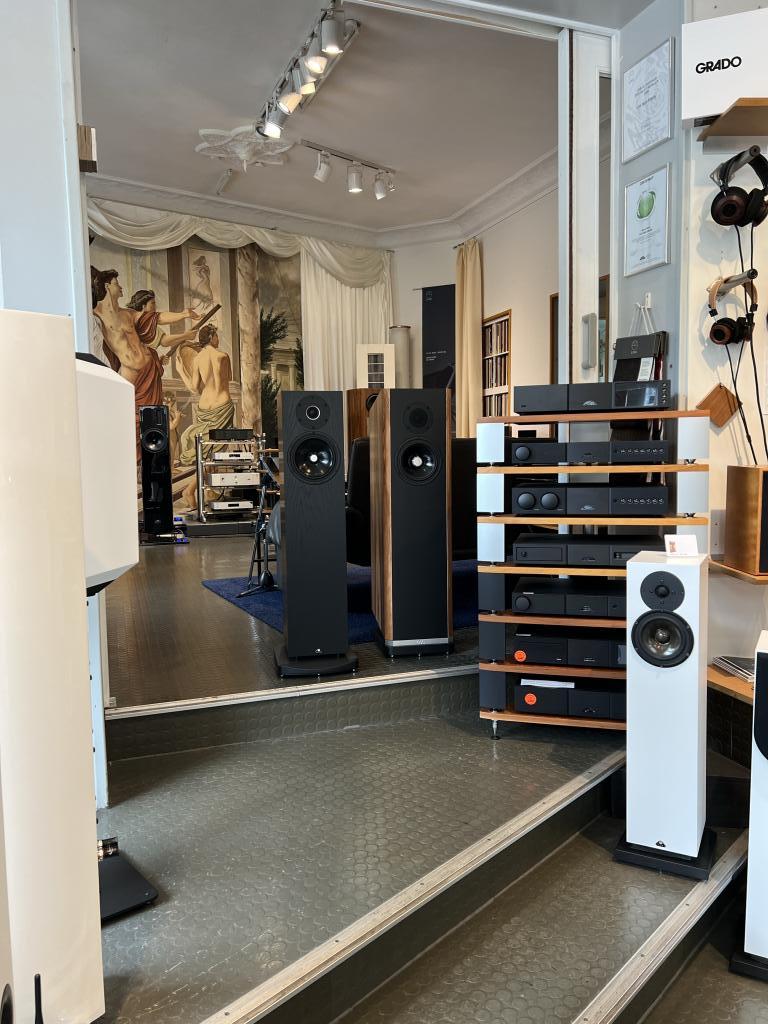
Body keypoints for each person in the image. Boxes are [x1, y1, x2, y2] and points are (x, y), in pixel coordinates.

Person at [92, 269, 201, 459]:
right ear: (107, 286)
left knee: (152, 424)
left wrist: (183, 314)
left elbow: (158, 317)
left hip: (148, 370)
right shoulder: (95, 315)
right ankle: (128, 463)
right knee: (129, 422)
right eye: (117, 284)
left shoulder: (128, 314)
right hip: (130, 373)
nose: (121, 287)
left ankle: (150, 466)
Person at [177, 323, 236, 508]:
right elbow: (227, 379)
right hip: (222, 405)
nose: (218, 339)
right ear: (211, 338)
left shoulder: (197, 359)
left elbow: (194, 388)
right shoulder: (223, 356)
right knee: (213, 452)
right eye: (216, 336)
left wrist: (180, 371)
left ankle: (208, 490)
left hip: (204, 407)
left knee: (208, 450)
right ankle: (191, 489)